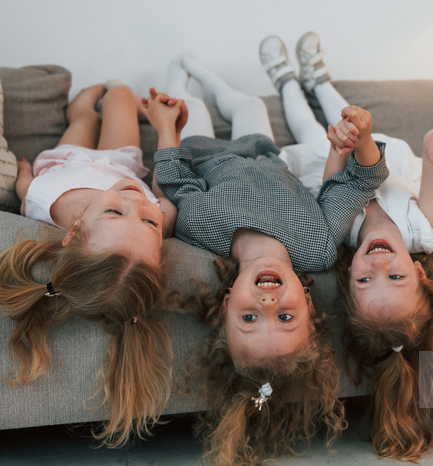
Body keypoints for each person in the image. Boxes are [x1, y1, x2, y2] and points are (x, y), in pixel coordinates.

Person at [143, 55, 388, 464]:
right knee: (252, 107)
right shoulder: (318, 248)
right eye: (285, 319)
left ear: (227, 304)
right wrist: (361, 139)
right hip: (266, 154)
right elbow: (358, 182)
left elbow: (175, 180)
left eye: (250, 319)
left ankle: (181, 71)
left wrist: (167, 128)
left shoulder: (200, 229)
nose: (268, 305)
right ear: (309, 305)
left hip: (204, 152)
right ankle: (205, 70)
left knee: (192, 107)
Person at [259, 32, 433, 460]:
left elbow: (333, 183)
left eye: (366, 278)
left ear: (350, 276)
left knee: (310, 127)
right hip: (390, 156)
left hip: (333, 155)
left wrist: (346, 142)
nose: (379, 263)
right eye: (396, 276)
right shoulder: (424, 230)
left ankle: (285, 80)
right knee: (343, 112)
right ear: (420, 273)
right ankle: (318, 77)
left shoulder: (341, 232)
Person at [0, 83, 176, 447]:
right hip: (122, 163)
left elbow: (25, 190)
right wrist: (162, 210)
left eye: (115, 212)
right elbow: (166, 201)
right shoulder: (151, 210)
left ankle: (82, 106)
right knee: (120, 95)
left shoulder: (48, 200)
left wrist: (24, 171)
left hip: (66, 162)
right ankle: (117, 96)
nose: (136, 204)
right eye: (149, 224)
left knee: (86, 116)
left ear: (73, 232)